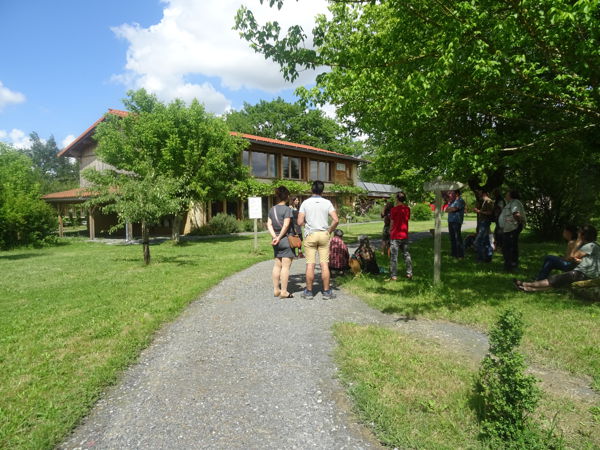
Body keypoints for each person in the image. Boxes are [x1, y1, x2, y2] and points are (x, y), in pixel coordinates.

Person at [515, 225, 599, 292]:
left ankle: (525, 284)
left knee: (555, 279)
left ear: (583, 235)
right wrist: (579, 260)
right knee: (557, 283)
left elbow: (572, 256)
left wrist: (578, 242)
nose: (577, 234)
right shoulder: (593, 245)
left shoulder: (590, 245)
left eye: (579, 233)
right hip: (585, 273)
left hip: (582, 274)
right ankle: (527, 289)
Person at [297, 180, 339, 299]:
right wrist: (329, 231)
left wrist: (307, 225)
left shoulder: (305, 203)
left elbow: (299, 221)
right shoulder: (327, 203)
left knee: (310, 264)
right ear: (322, 190)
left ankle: (309, 292)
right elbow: (336, 220)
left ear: (312, 189)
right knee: (324, 264)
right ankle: (326, 292)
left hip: (311, 235)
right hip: (324, 234)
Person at [266, 186, 295, 299]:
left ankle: (276, 290)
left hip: (275, 241)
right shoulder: (287, 209)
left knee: (277, 265)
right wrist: (280, 237)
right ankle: (284, 291)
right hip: (286, 240)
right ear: (287, 196)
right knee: (285, 267)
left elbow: (269, 224)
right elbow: (286, 225)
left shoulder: (271, 209)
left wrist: (275, 237)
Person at [387, 192, 413, 280]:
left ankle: (394, 275)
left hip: (395, 235)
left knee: (394, 256)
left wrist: (389, 231)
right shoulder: (407, 209)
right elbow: (407, 219)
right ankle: (409, 273)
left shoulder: (394, 210)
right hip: (404, 235)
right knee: (406, 254)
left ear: (397, 199)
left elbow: (392, 222)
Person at [499, 190, 526, 272]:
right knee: (508, 247)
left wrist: (518, 224)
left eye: (507, 193)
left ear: (511, 195)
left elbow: (516, 214)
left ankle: (511, 266)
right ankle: (509, 265)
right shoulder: (511, 203)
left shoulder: (515, 202)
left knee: (510, 247)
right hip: (509, 229)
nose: (506, 195)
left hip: (512, 228)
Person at [473, 189, 494, 262]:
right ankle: (488, 258)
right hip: (482, 222)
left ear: (484, 193)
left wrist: (479, 211)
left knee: (479, 241)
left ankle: (480, 258)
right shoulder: (483, 201)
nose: (478, 194)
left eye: (480, 193)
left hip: (485, 222)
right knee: (486, 240)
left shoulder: (488, 201)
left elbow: (490, 212)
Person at [446, 190, 466, 258]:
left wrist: (451, 209)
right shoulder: (452, 201)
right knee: (452, 237)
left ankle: (460, 254)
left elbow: (455, 209)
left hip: (456, 221)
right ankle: (454, 254)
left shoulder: (460, 200)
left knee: (457, 237)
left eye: (452, 193)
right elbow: (446, 210)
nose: (450, 194)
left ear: (456, 194)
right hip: (450, 221)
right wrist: (450, 209)